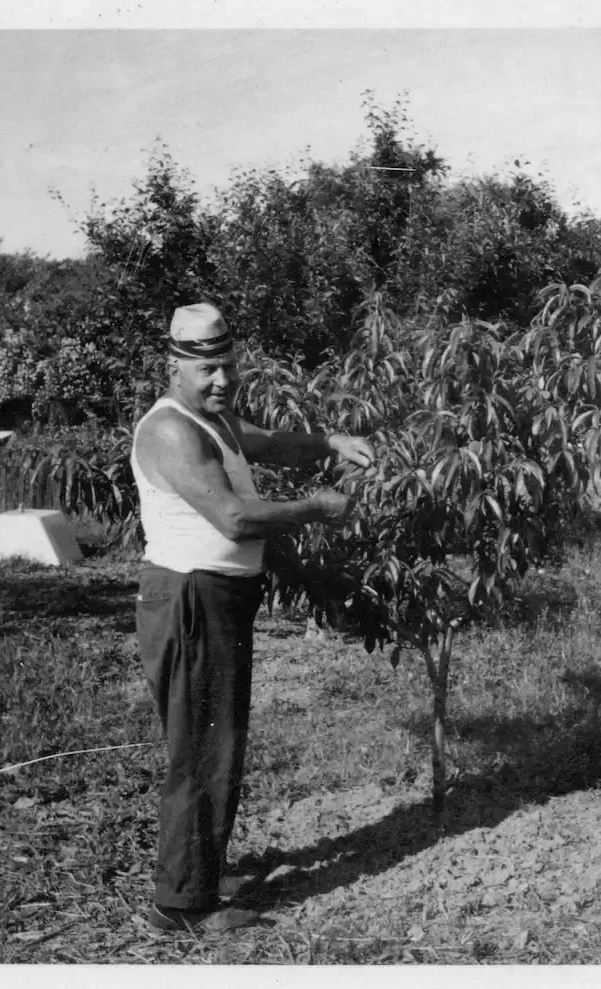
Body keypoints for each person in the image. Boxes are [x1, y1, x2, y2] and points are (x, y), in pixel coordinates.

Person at [130, 303, 374, 933]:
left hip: (217, 596)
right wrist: (318, 506)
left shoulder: (213, 421)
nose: (221, 381)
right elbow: (234, 518)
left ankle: (199, 873)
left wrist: (327, 442)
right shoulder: (172, 431)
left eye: (228, 367)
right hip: (191, 598)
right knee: (202, 746)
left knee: (219, 739)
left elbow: (268, 442)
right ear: (174, 368)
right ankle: (180, 906)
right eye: (208, 369)